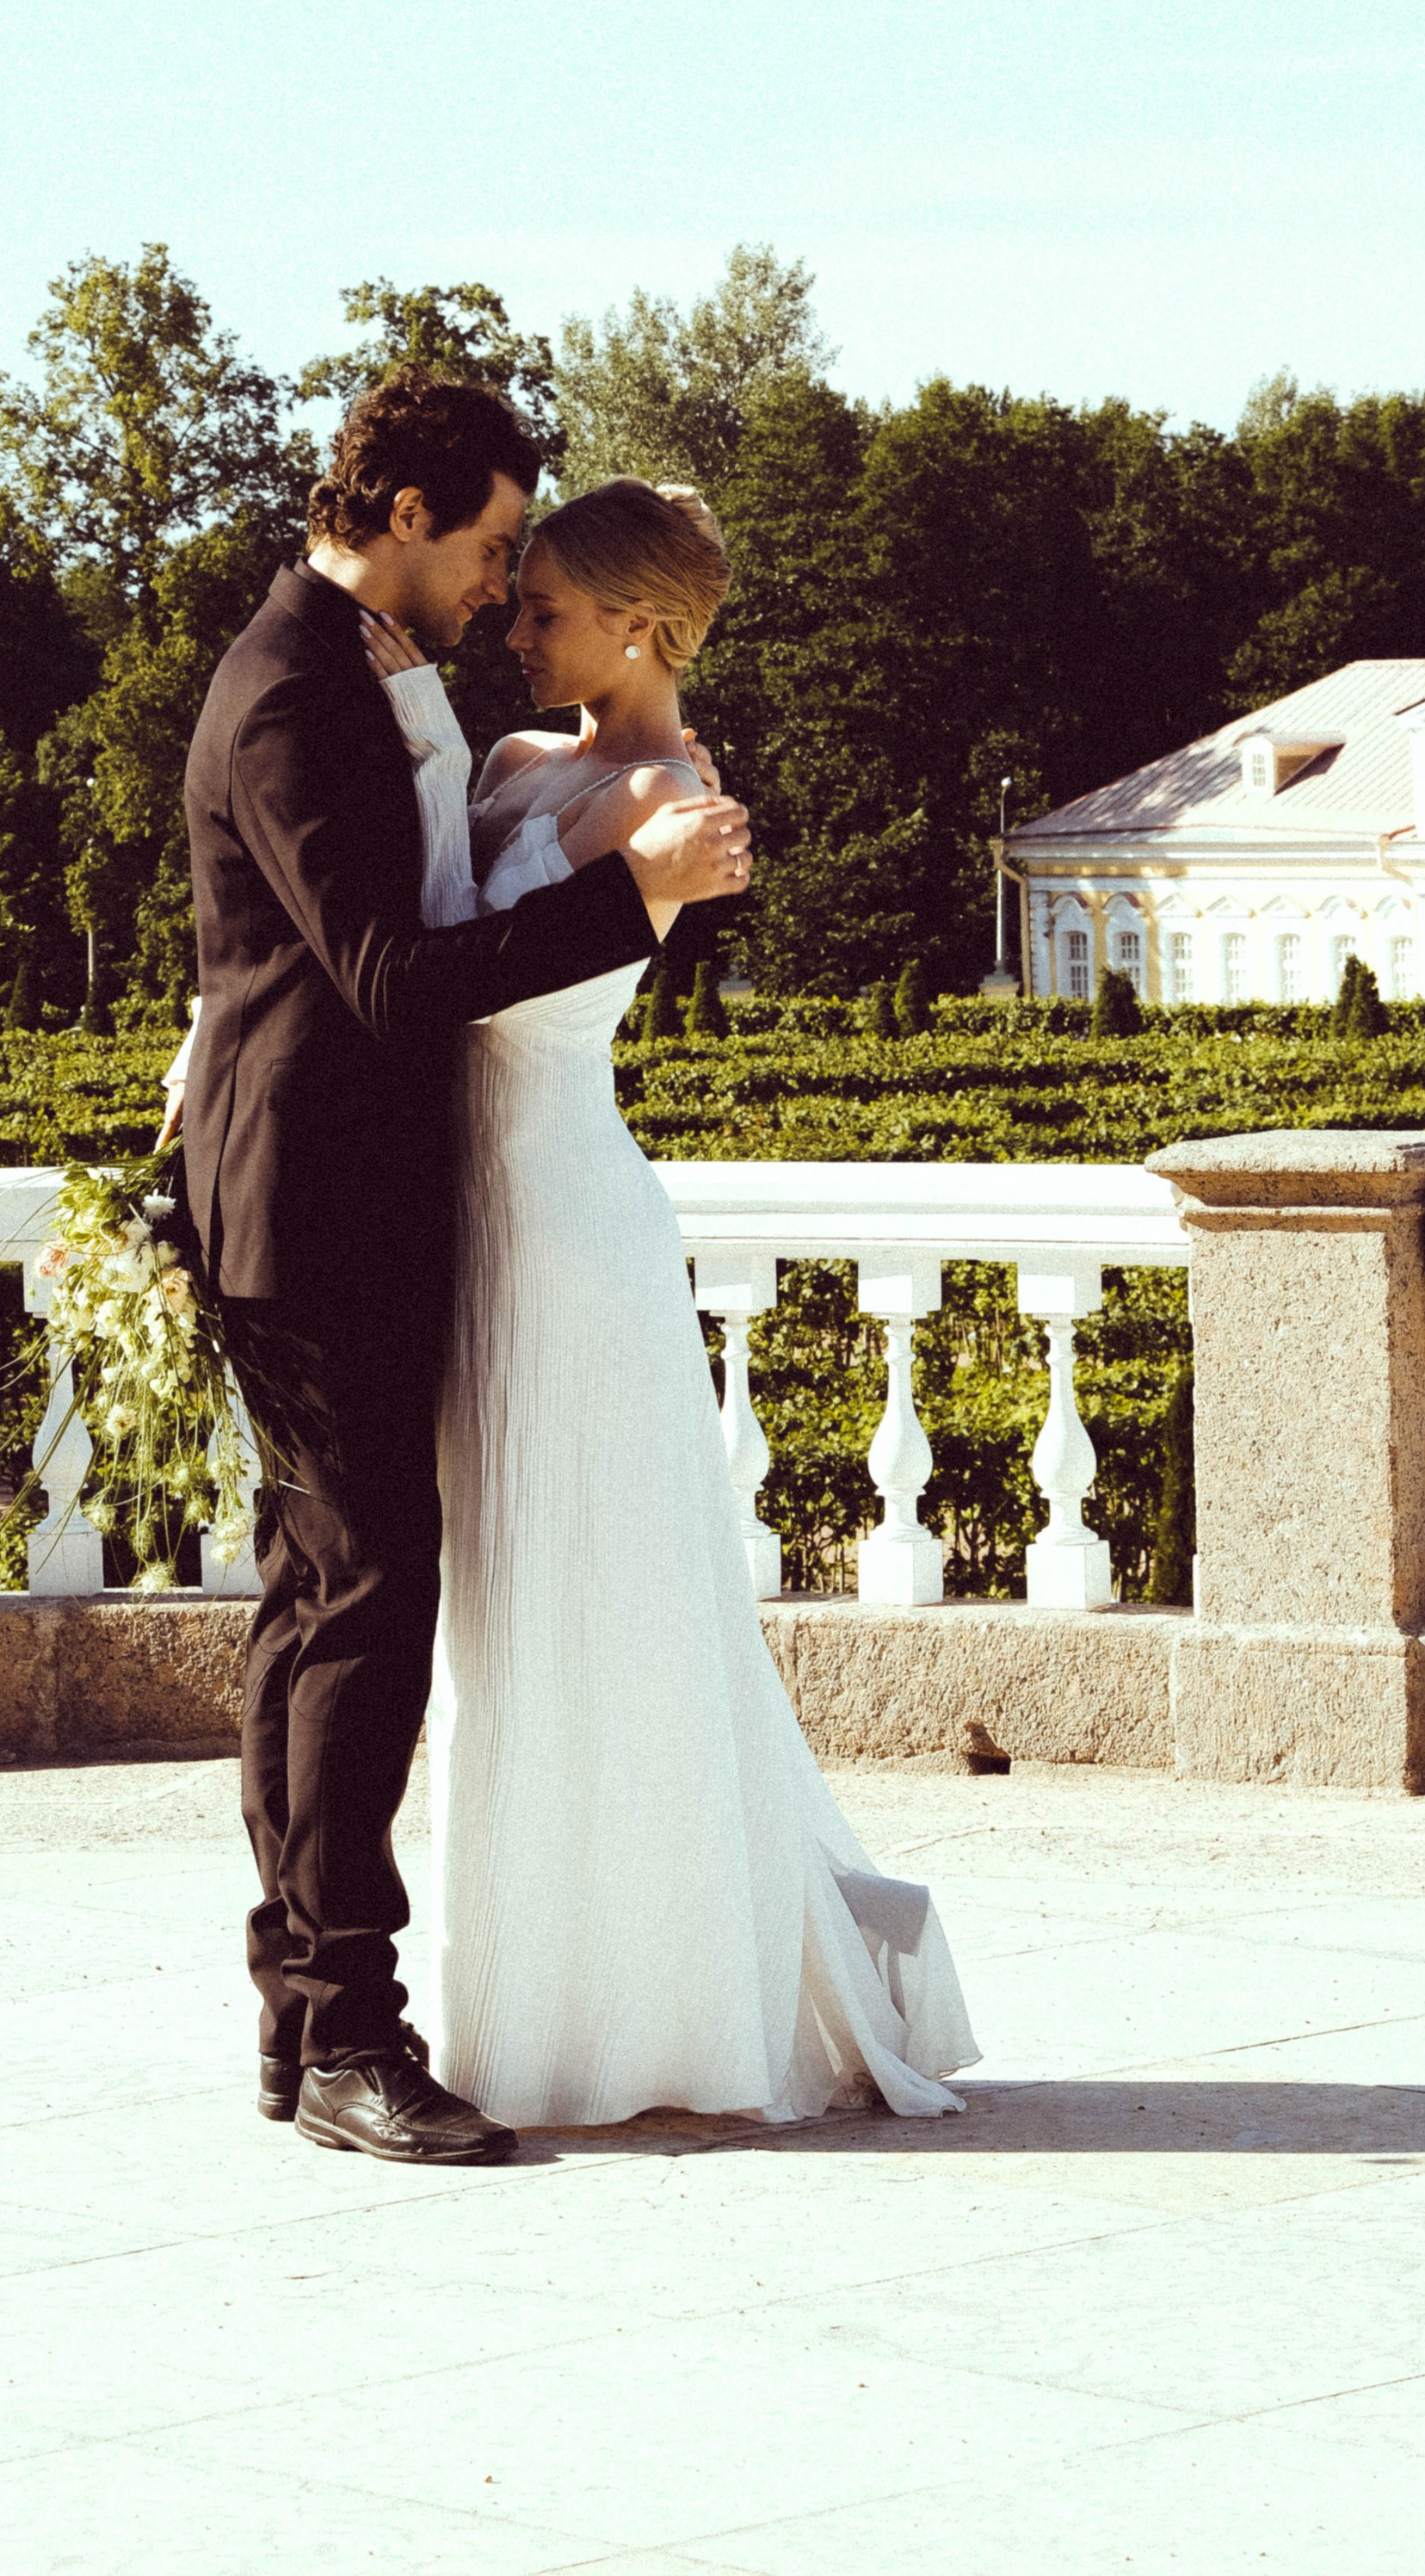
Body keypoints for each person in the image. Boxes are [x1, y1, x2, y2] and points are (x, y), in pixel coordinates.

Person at [177, 377, 753, 2168]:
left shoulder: (355, 669)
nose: (506, 586)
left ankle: (306, 2025)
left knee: (321, 1610)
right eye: (498, 540)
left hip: (367, 1204)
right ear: (407, 510)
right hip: (313, 1215)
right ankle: (346, 2034)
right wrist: (631, 897)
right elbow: (379, 975)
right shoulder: (289, 686)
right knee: (358, 1619)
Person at [363, 477, 978, 2126]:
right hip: (473, 1219)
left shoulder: (678, 801)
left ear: (640, 624)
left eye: (546, 603)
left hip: (570, 1227)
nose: (515, 623)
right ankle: (538, 1989)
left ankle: (652, 2003)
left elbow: (527, 984)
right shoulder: (510, 767)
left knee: (612, 1599)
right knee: (507, 1606)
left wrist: (646, 874)